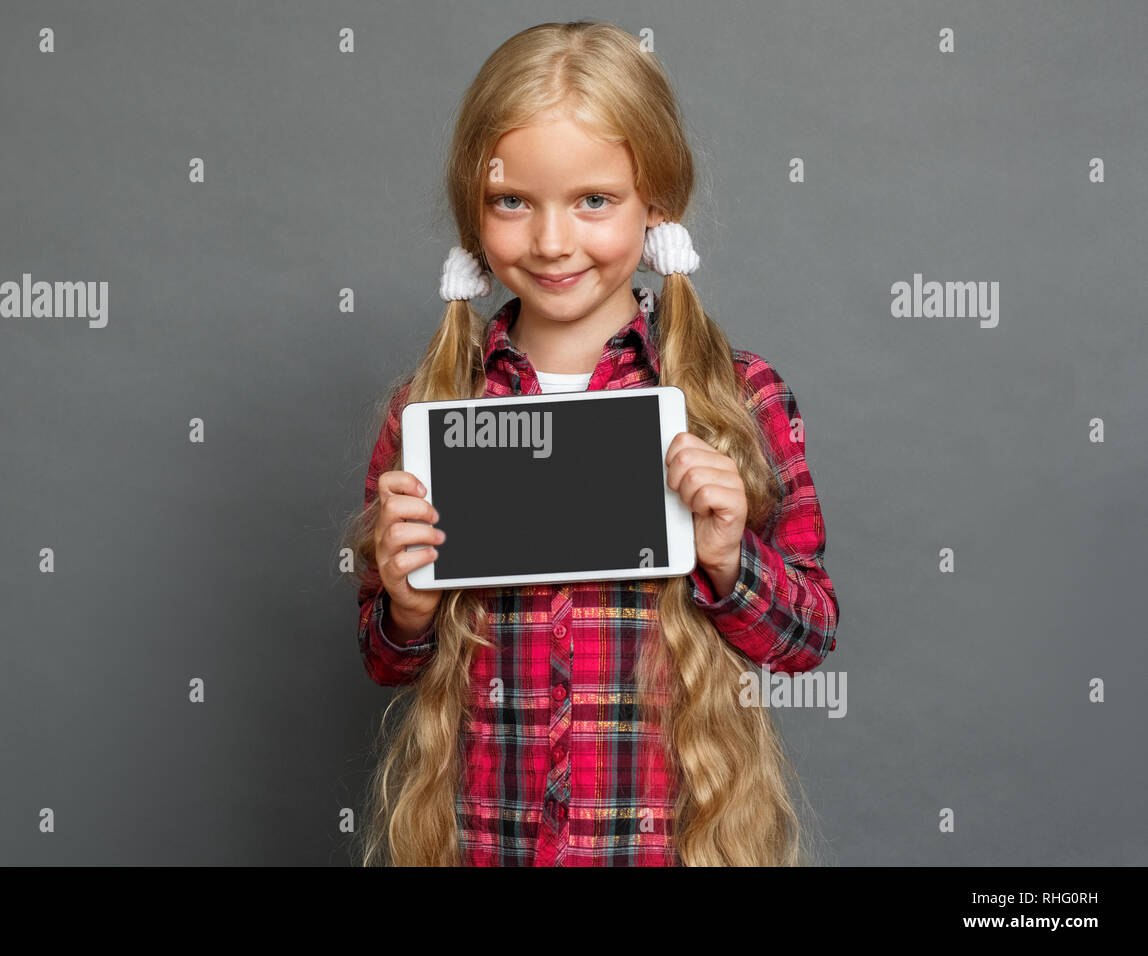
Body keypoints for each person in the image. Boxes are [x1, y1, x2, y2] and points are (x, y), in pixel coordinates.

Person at [340, 19, 839, 866]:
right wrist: (407, 605)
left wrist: (726, 556)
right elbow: (386, 660)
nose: (552, 241)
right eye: (513, 202)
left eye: (594, 201)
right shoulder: (433, 406)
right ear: (475, 207)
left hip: (674, 841)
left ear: (658, 203)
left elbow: (807, 640)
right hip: (483, 839)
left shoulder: (735, 398)